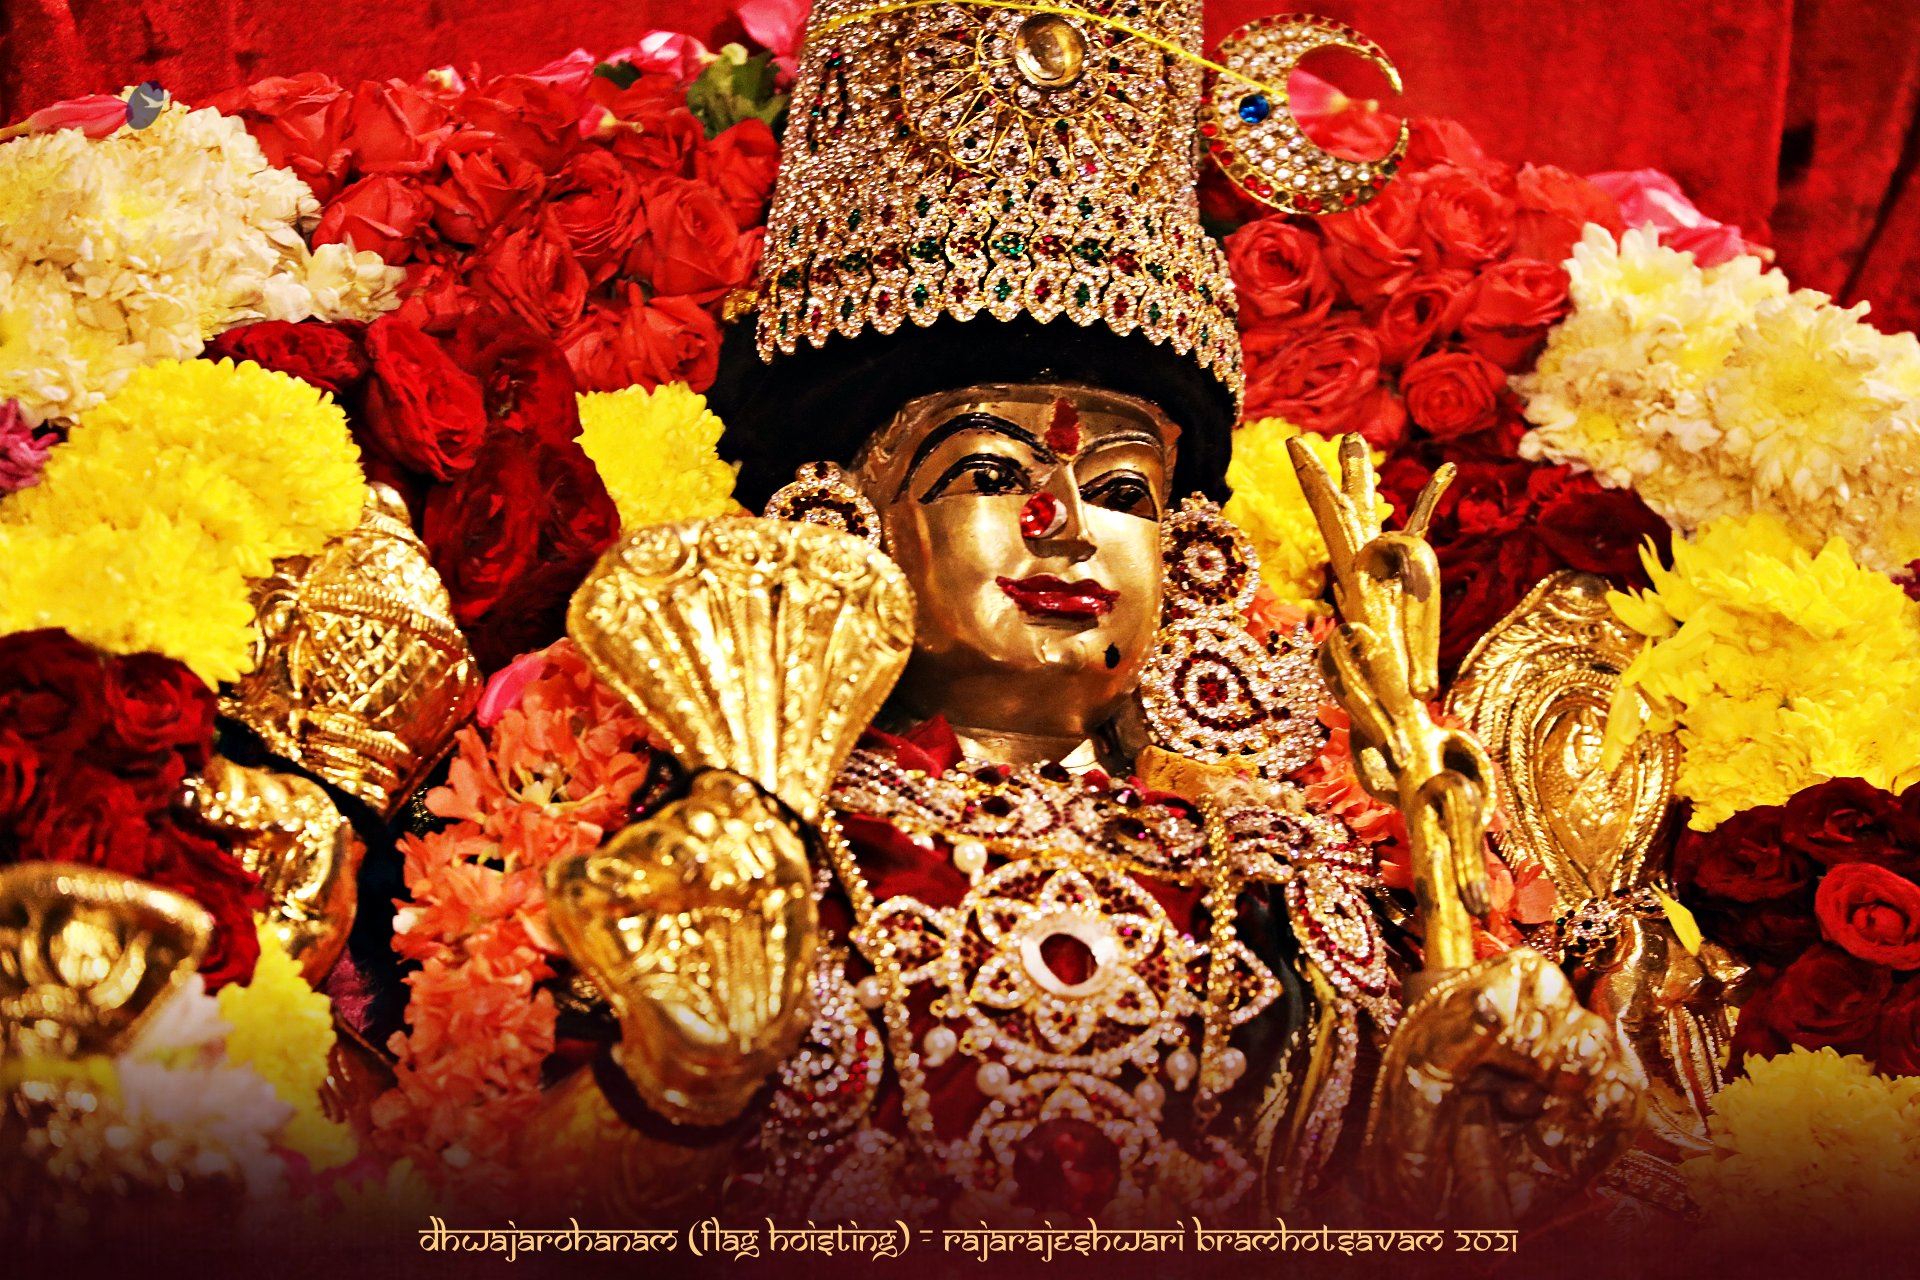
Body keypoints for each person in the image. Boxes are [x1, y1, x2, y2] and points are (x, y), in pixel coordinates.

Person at [523, 0, 1642, 1226]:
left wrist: (1458, 1184)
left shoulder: (1305, 894)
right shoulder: (728, 850)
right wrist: (683, 1081)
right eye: (991, 472)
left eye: (1120, 490)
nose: (1064, 522)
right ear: (851, 519)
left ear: (1191, 557)